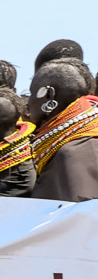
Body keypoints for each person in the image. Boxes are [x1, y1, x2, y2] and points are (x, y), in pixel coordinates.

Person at [27, 58, 98, 203]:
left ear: (49, 95)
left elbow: (77, 218)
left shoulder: (73, 152)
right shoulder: (80, 142)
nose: (28, 103)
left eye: (31, 93)